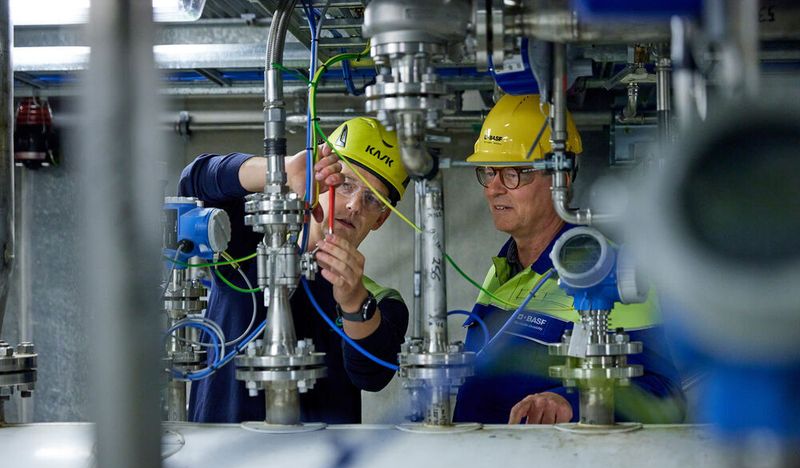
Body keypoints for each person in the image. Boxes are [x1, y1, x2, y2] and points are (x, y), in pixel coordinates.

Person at [452, 94, 686, 425]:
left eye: (515, 173)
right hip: (482, 467)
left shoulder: (610, 272)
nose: (493, 188)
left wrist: (572, 403)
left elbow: (665, 396)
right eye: (489, 172)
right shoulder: (502, 269)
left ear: (562, 177)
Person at [179, 117, 411, 423]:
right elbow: (194, 180)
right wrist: (281, 171)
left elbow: (372, 374)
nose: (355, 205)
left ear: (380, 219)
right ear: (321, 179)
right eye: (345, 184)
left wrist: (354, 301)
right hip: (224, 461)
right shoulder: (244, 249)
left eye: (372, 199)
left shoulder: (378, 301)